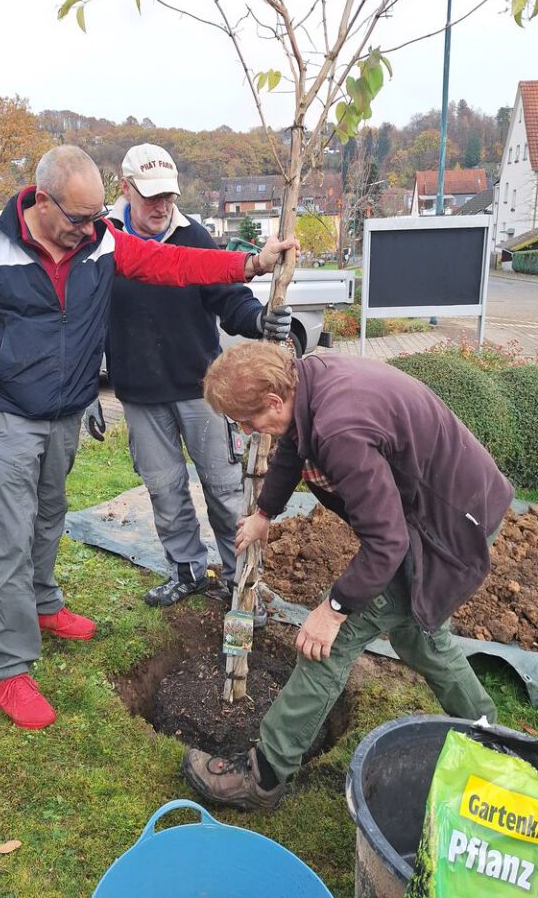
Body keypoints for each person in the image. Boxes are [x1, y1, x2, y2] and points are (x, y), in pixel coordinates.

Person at [0, 146, 296, 731]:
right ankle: (7, 669)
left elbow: (172, 264)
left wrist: (249, 264)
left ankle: (42, 603)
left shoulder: (98, 240)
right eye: (78, 218)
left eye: (96, 217)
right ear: (42, 201)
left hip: (63, 410)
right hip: (7, 410)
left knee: (50, 515)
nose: (90, 229)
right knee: (10, 535)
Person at [183, 341, 514, 810]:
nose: (246, 430)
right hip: (452, 502)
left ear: (274, 400)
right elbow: (293, 446)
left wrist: (334, 609)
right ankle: (492, 739)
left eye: (247, 421)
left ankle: (264, 776)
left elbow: (388, 543)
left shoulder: (339, 430)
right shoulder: (306, 381)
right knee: (419, 637)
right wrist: (265, 513)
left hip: (450, 522)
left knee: (325, 644)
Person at [95, 142, 292, 617]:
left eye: (169, 195)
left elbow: (228, 297)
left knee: (225, 491)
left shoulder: (194, 237)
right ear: (125, 189)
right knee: (164, 489)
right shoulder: (103, 242)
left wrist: (258, 319)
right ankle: (185, 569)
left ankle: (239, 579)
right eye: (151, 197)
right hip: (140, 393)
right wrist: (86, 390)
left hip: (201, 391)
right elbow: (87, 317)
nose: (162, 206)